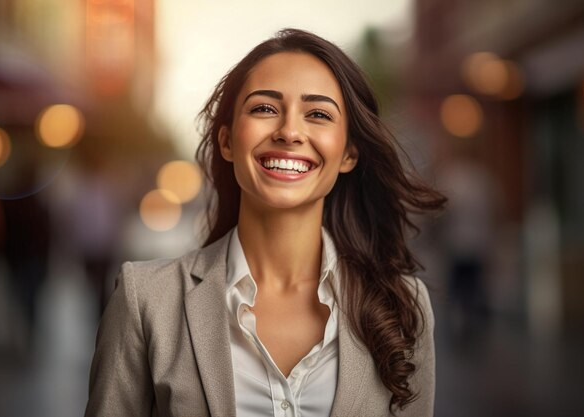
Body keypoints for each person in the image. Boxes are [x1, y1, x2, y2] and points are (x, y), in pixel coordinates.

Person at [84, 28, 446, 417]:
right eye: (264, 109)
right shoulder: (146, 301)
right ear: (226, 142)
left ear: (348, 154)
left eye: (319, 114)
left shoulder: (404, 306)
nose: (289, 132)